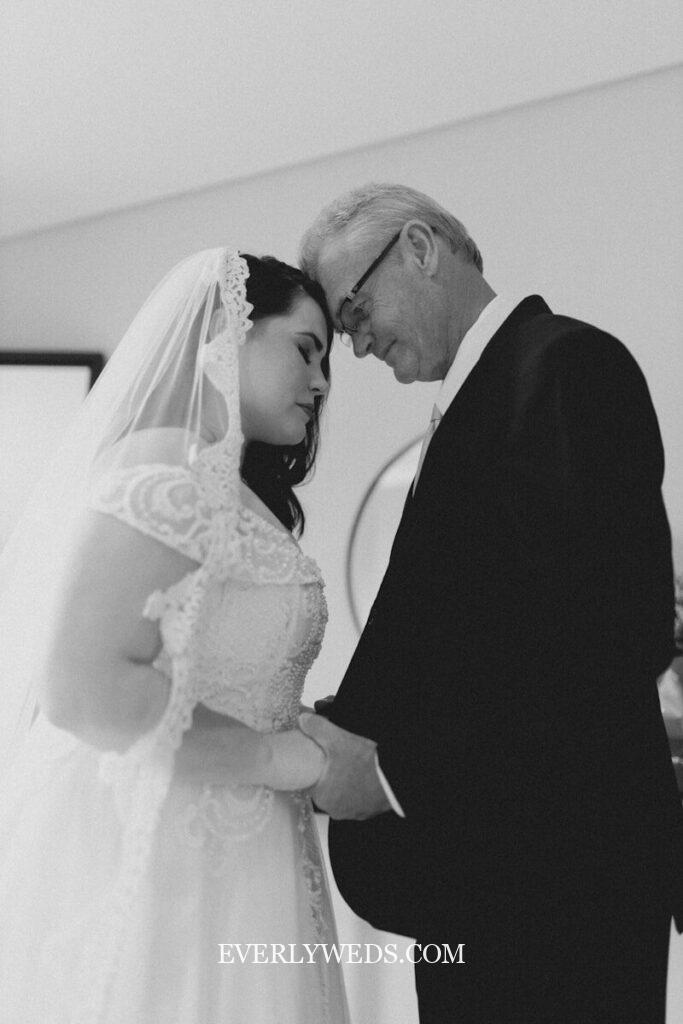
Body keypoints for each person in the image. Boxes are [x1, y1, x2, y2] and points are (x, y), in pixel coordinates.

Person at [298, 183, 683, 1023]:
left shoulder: (564, 365)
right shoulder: (478, 401)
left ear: (419, 248)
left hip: (561, 888)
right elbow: (476, 633)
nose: (356, 349)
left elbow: (617, 630)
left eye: (354, 313)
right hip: (494, 879)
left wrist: (395, 770)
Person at [0, 249, 349, 1024]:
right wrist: (275, 756)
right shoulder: (168, 466)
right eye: (304, 348)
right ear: (230, 331)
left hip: (248, 853)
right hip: (170, 852)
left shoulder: (230, 488)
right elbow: (82, 685)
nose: (322, 382)